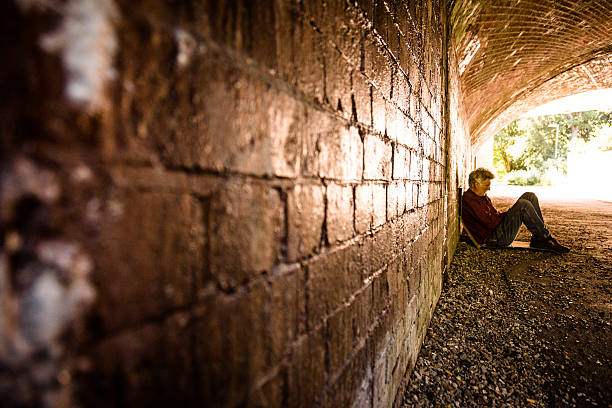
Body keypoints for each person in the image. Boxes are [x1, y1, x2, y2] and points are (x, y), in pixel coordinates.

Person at [461, 168, 569, 253]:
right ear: (476, 184)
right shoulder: (470, 200)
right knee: (523, 205)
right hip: (494, 238)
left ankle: (538, 239)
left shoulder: (482, 196)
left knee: (529, 196)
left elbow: (495, 216)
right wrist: (510, 213)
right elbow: (491, 223)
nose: (489, 188)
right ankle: (547, 238)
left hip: (497, 230)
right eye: (487, 185)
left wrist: (508, 214)